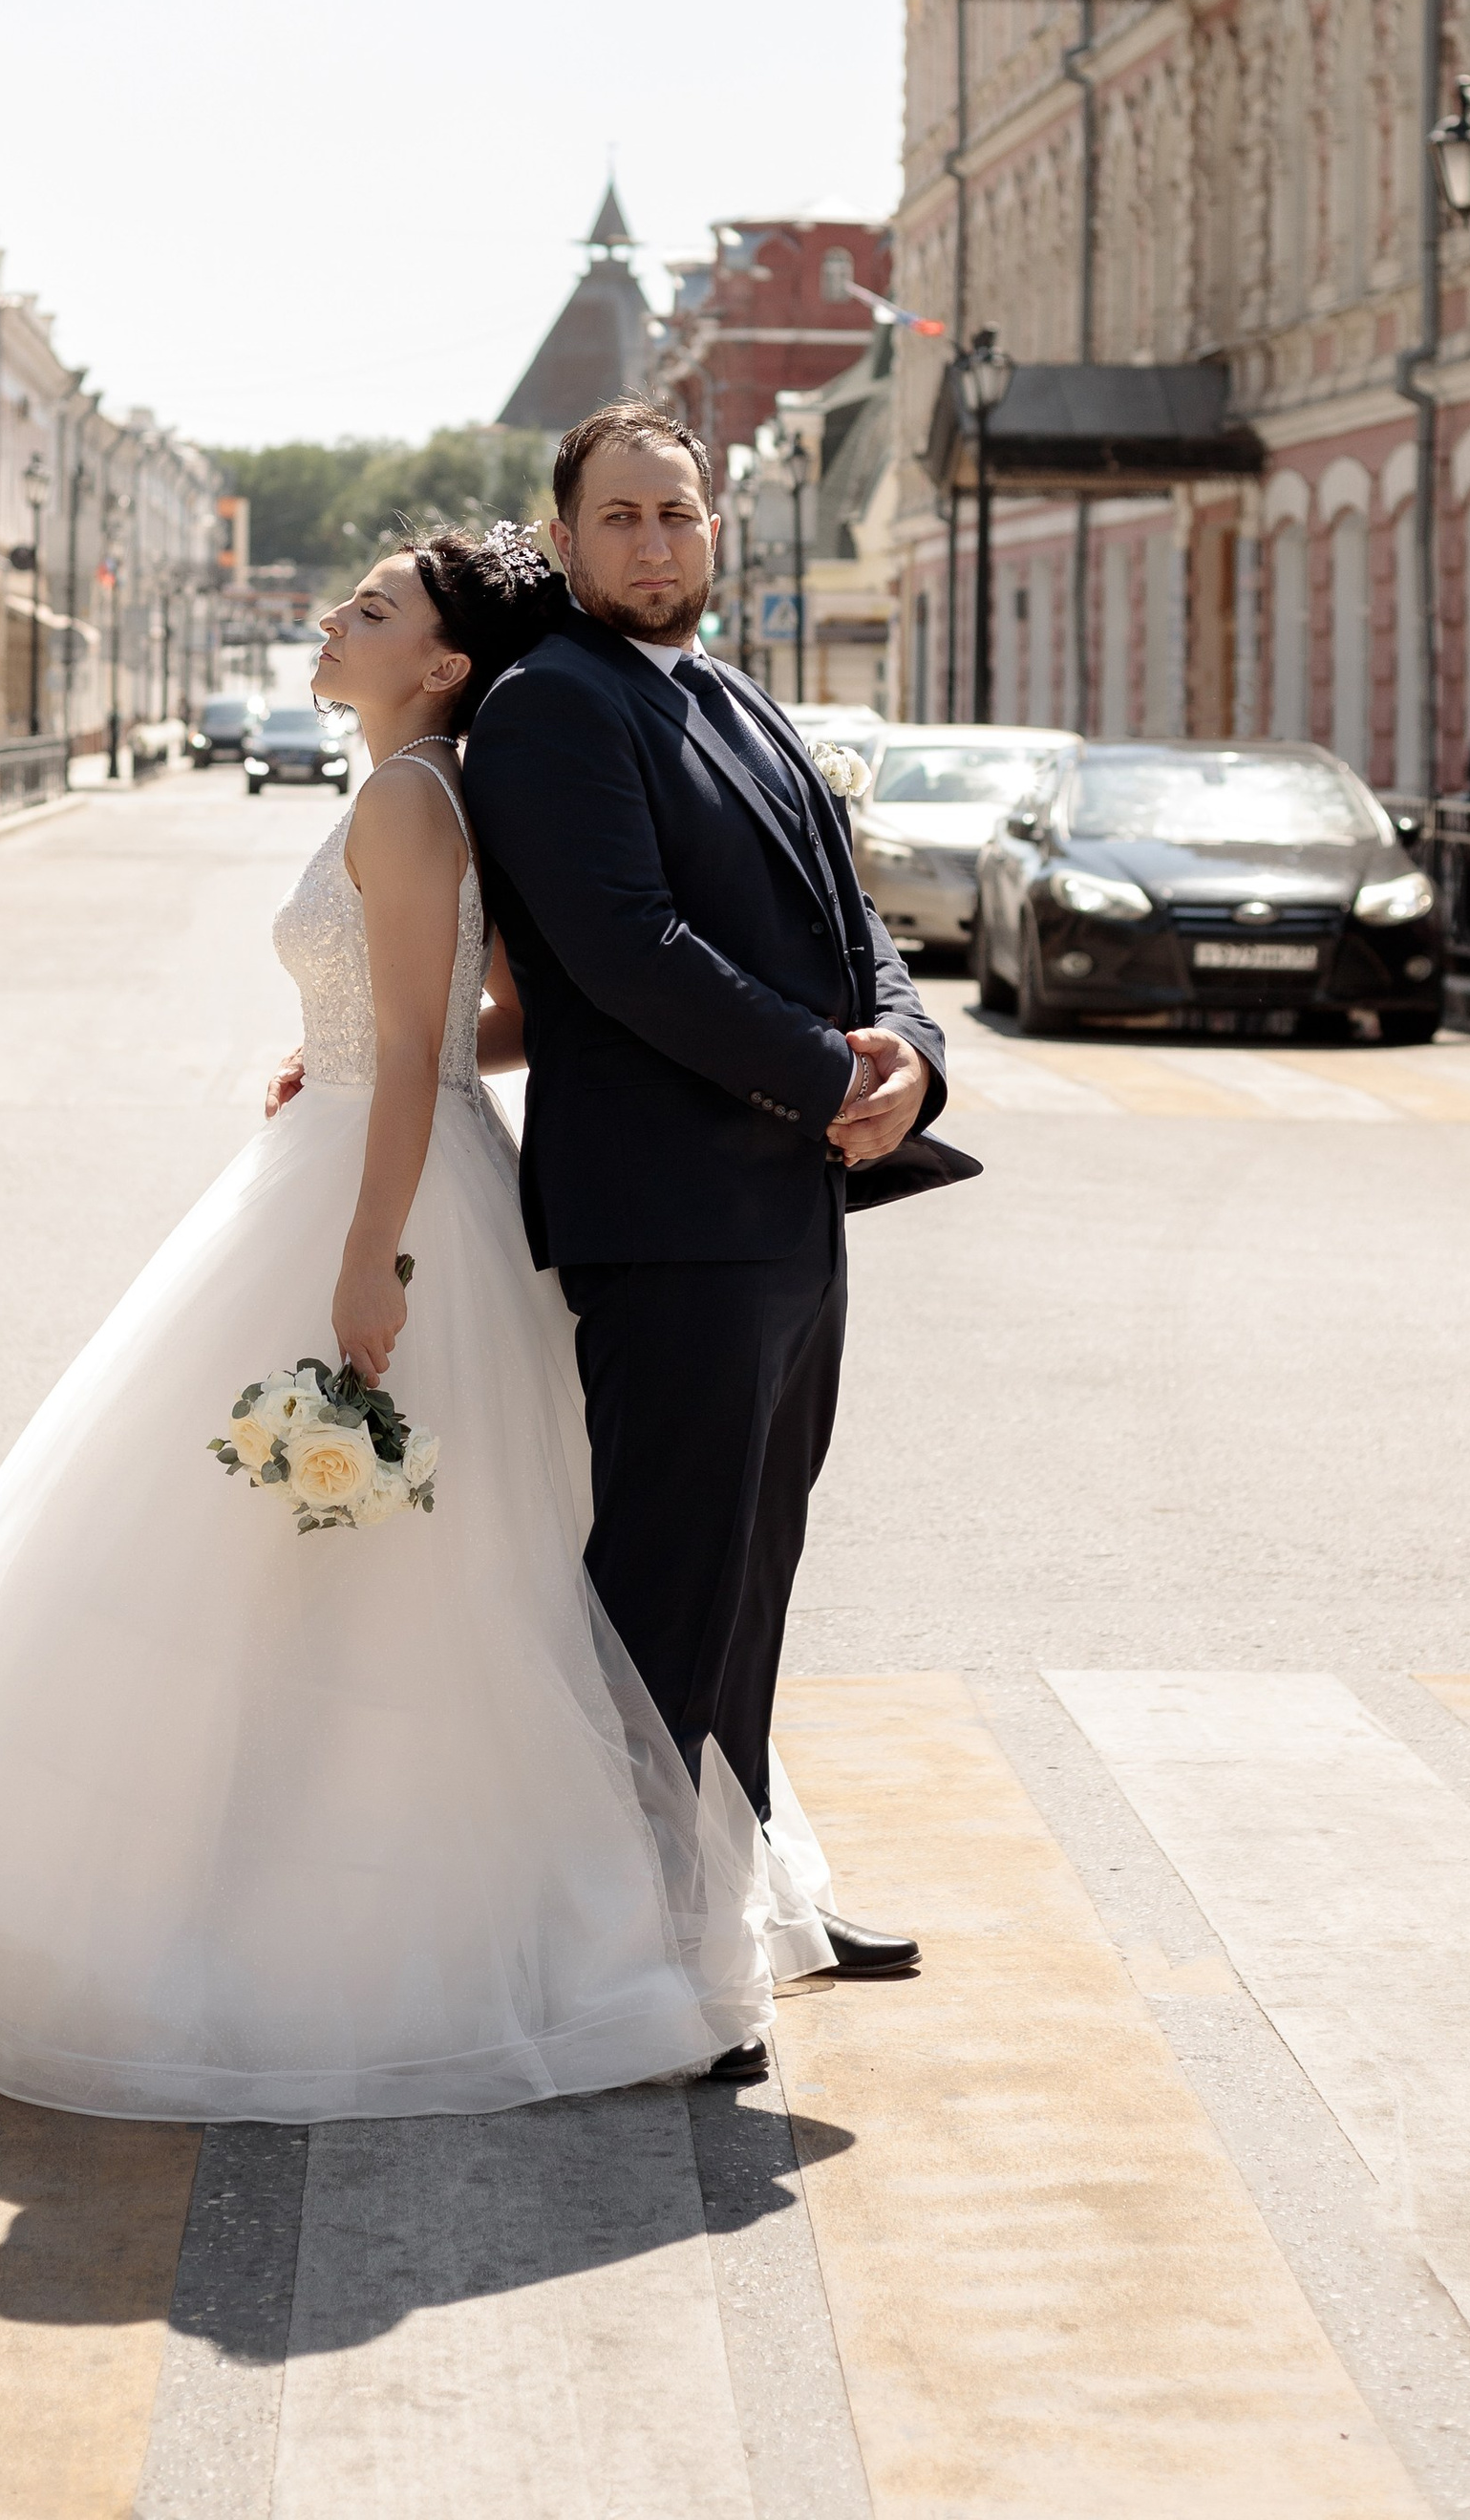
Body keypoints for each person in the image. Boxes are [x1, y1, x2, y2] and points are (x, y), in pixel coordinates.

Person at [0, 524, 811, 2125]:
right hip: (374, 1152)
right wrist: (354, 1059)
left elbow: (431, 1040)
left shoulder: (411, 796)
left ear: (442, 663)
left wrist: (371, 1251)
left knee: (376, 1557)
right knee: (352, 1559)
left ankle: (364, 1909)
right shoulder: (428, 791)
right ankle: (317, 1861)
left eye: (371, 609)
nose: (332, 619)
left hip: (387, 1191)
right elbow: (491, 1018)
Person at [462, 400, 948, 2077]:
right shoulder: (552, 704)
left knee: (753, 1576)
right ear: (566, 540)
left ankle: (741, 1896)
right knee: (667, 1594)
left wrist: (910, 1055)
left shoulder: (732, 692)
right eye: (620, 518)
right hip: (668, 1219)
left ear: (716, 523)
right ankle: (633, 1966)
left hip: (788, 1208)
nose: (655, 543)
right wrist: (828, 1076)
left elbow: (855, 920)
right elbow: (627, 950)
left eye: (676, 512)